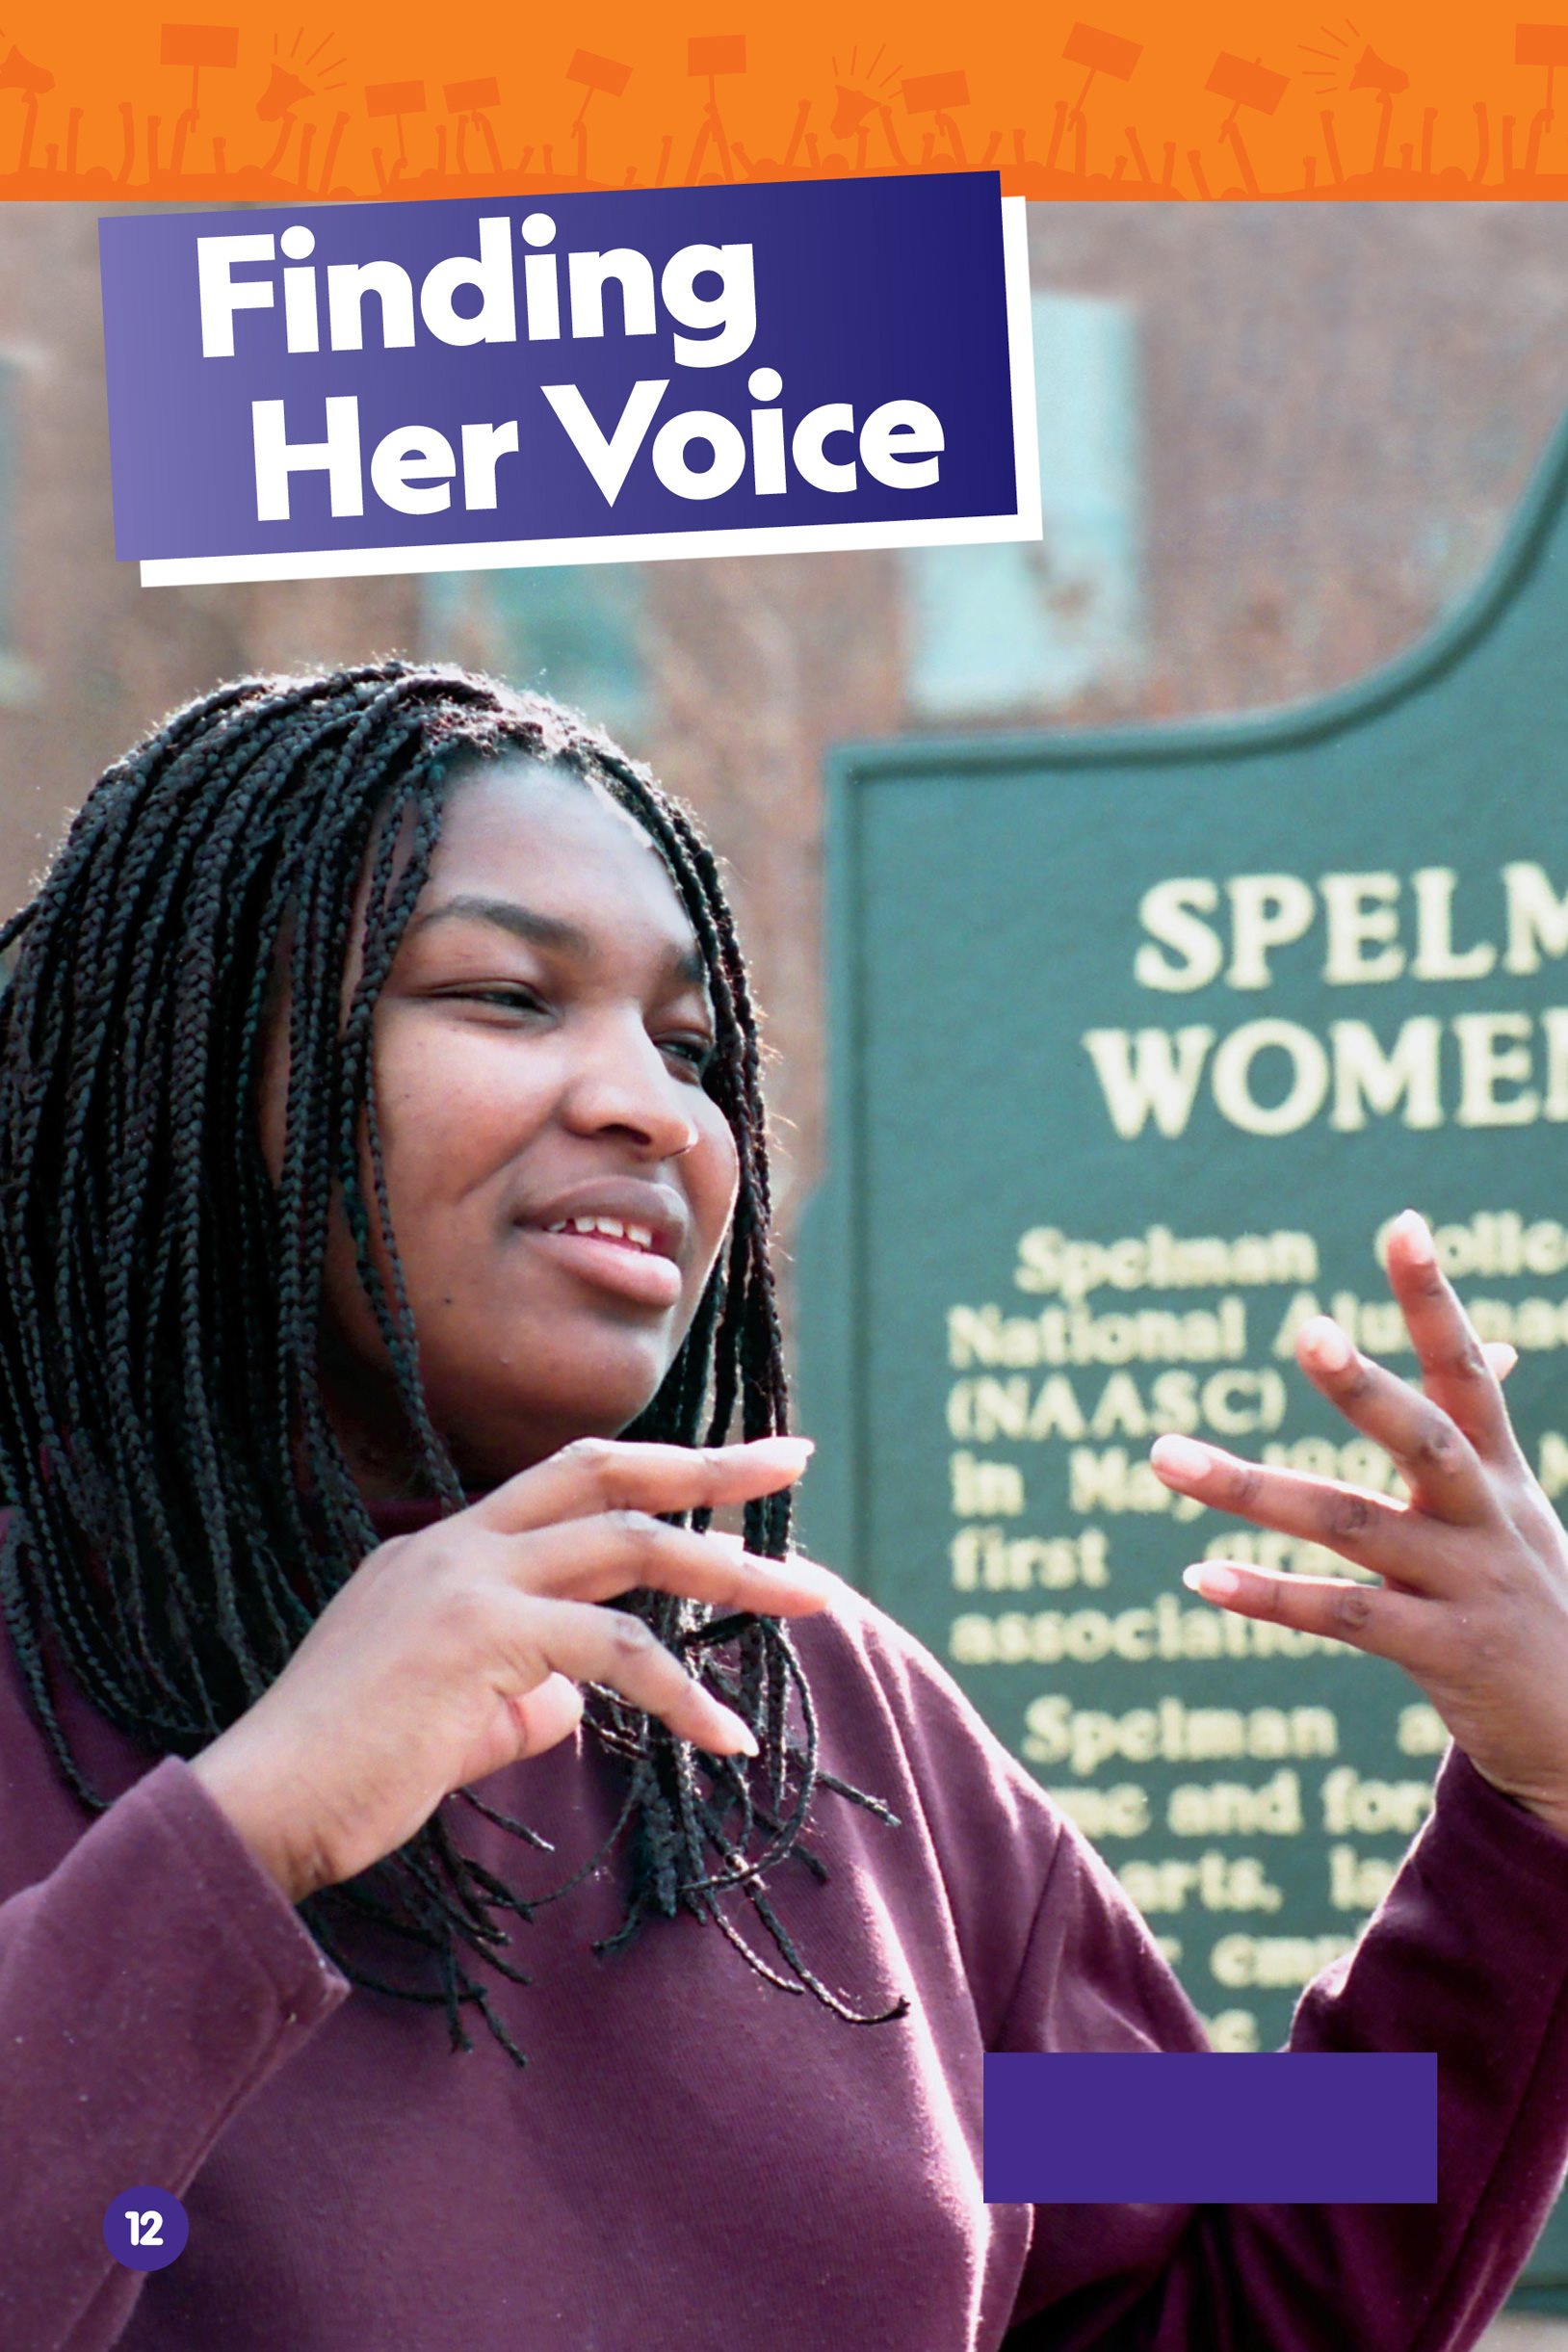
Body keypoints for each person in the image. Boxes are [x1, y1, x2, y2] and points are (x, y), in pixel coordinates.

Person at [2, 659, 1567, 2352]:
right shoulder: (43, 1655)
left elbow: (1234, 2250)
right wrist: (255, 1828)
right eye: (509, 994)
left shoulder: (831, 1718)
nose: (649, 1104)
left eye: (690, 1044)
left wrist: (1533, 1810)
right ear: (195, 1055)